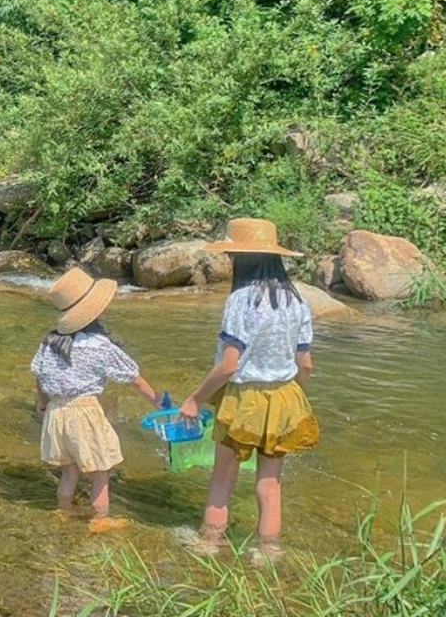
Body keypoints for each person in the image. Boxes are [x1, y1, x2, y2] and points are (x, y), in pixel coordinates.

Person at [179, 217, 320, 560]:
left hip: (244, 399)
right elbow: (306, 364)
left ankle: (210, 543)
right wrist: (296, 398)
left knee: (223, 477)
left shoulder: (241, 300)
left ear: (240, 258)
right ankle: (269, 550)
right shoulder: (296, 300)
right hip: (286, 396)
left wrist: (194, 399)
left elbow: (229, 365)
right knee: (270, 485)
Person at [32, 267, 160, 532]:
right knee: (100, 471)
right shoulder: (99, 346)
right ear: (94, 312)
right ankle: (100, 519)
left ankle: (63, 512)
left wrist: (42, 403)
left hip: (56, 411)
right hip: (85, 411)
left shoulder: (50, 342)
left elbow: (39, 375)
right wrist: (158, 401)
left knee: (69, 470)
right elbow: (133, 377)